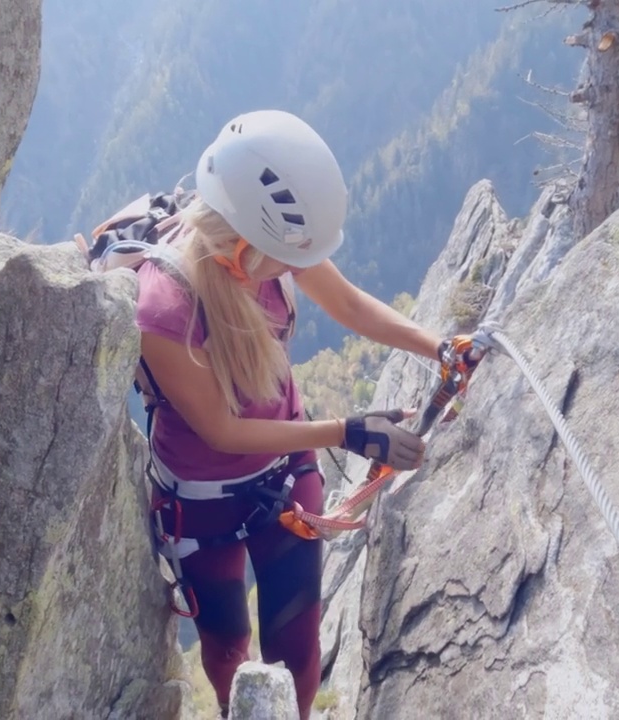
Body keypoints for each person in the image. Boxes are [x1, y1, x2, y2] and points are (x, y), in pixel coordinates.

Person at [136, 109, 448, 719]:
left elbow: (350, 305)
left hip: (282, 477)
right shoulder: (163, 306)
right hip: (201, 499)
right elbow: (220, 431)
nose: (296, 269)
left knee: (297, 660)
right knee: (227, 656)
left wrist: (439, 346)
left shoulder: (267, 241)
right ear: (244, 244)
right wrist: (346, 432)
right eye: (283, 258)